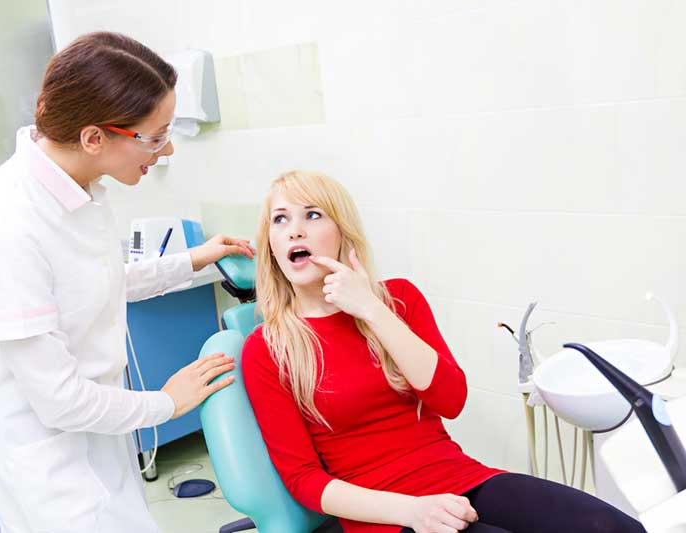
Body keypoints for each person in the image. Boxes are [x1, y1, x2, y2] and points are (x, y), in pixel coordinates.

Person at [0, 32, 254, 533]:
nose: (167, 148)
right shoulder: (6, 223)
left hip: (98, 436)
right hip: (50, 463)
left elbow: (99, 279)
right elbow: (59, 400)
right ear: (94, 138)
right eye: (155, 137)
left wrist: (194, 260)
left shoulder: (76, 187)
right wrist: (168, 403)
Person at [241, 170, 645, 533]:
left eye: (312, 215)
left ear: (343, 231)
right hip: (386, 517)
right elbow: (304, 480)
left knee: (608, 525)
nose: (295, 230)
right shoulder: (267, 348)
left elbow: (451, 400)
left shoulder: (398, 300)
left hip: (460, 477)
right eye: (281, 219)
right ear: (272, 245)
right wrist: (413, 511)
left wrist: (370, 309)